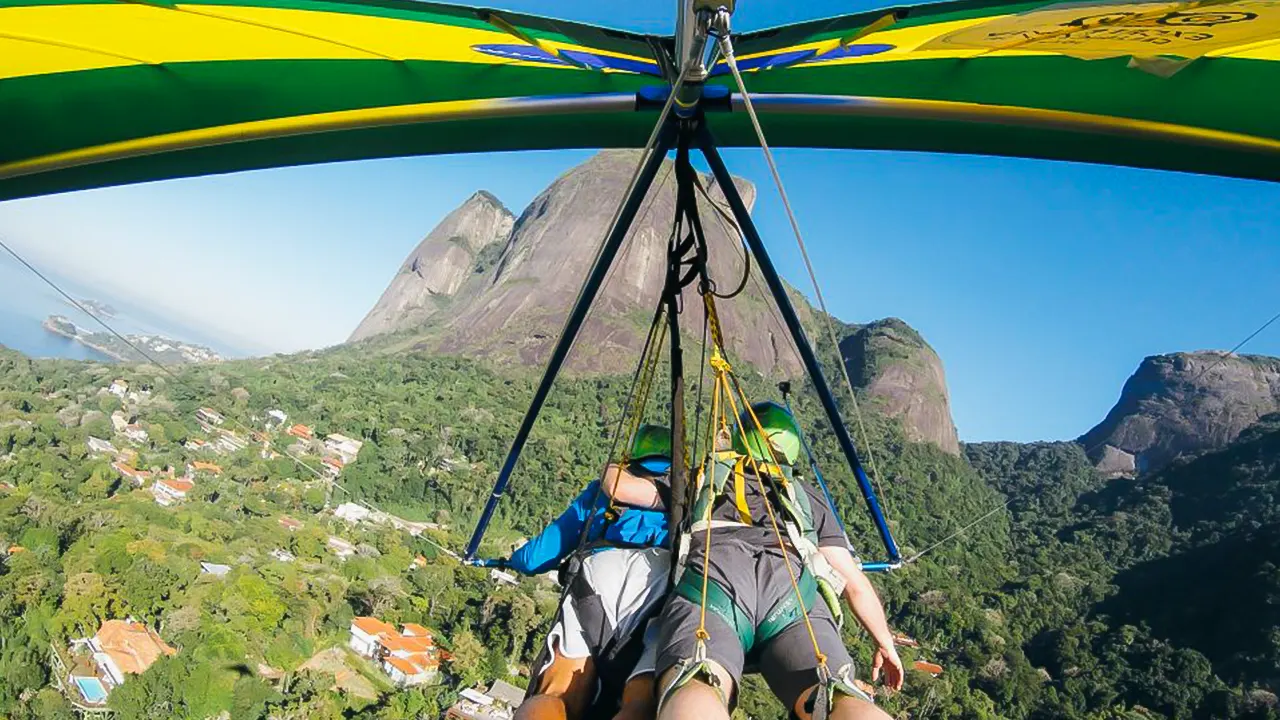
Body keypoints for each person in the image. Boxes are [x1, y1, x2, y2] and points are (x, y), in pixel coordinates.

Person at [654, 401, 903, 720]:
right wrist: (885, 643)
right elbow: (855, 583)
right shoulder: (805, 496)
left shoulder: (702, 478)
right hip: (791, 590)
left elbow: (623, 488)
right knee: (834, 694)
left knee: (697, 679)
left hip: (717, 580)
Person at [503, 424, 675, 720]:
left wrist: (511, 561)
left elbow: (536, 558)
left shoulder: (602, 492)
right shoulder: (685, 495)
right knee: (640, 702)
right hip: (656, 579)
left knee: (558, 693)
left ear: (634, 456)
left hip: (597, 578)